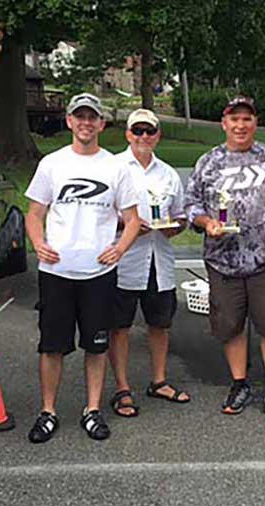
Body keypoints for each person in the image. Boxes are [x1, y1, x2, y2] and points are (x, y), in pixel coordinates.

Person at [24, 93, 141, 443]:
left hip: (98, 275)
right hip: (57, 272)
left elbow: (133, 219)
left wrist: (119, 248)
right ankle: (48, 411)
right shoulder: (52, 164)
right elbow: (34, 213)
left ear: (101, 124)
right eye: (80, 117)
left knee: (97, 345)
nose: (86, 123)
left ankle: (92, 410)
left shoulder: (116, 166)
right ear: (70, 121)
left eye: (93, 117)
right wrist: (37, 242)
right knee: (52, 346)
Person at [185, 96, 265, 417]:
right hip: (223, 260)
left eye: (246, 119)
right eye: (234, 119)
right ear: (224, 124)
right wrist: (206, 222)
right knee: (230, 325)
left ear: (255, 123)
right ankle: (240, 382)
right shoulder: (208, 162)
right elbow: (190, 204)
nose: (240, 125)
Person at [108, 109, 189, 418]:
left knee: (159, 324)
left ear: (158, 135)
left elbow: (179, 215)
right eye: (137, 130)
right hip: (122, 259)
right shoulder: (112, 167)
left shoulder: (168, 174)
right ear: (128, 134)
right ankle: (122, 388)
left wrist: (174, 226)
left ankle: (159, 380)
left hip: (158, 259)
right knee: (120, 327)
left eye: (149, 131)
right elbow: (100, 212)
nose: (143, 136)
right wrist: (126, 224)